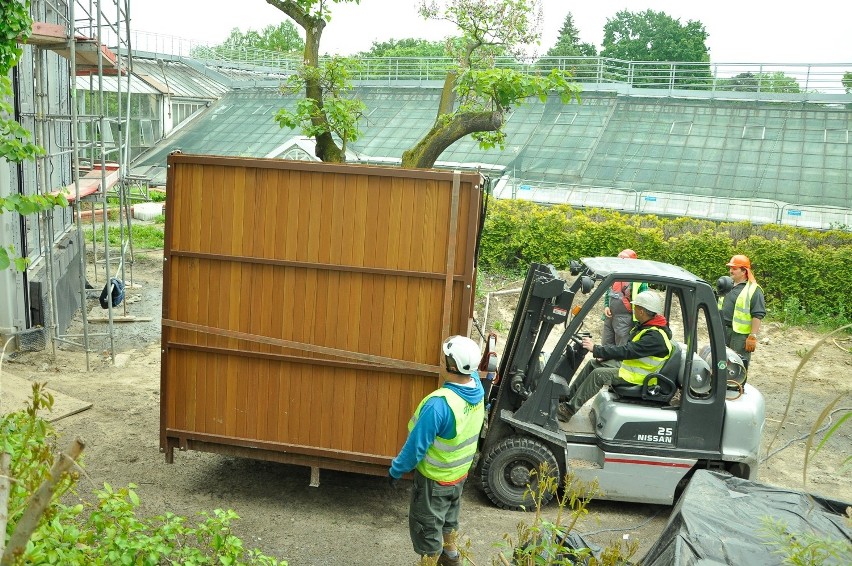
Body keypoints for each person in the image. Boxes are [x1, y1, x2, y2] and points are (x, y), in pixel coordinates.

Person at [389, 335, 485, 566]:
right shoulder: (476, 388)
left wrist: (395, 470)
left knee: (428, 530)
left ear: (450, 366)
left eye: (444, 358)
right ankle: (451, 557)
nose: (441, 361)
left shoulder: (439, 404)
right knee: (450, 519)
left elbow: (415, 448)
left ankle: (432, 561)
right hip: (458, 476)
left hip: (434, 482)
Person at [558, 290, 673, 423]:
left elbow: (627, 351)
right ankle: (566, 398)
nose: (633, 310)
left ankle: (568, 410)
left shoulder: (654, 336)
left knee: (598, 375)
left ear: (642, 311)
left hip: (640, 376)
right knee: (593, 364)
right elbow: (630, 351)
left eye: (635, 307)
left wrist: (597, 349)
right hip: (632, 369)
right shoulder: (648, 327)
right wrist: (604, 355)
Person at [719, 254, 765, 369]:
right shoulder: (726, 285)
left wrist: (752, 336)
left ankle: (737, 386)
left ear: (744, 271)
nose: (731, 271)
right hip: (723, 330)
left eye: (734, 269)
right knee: (720, 361)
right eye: (730, 268)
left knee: (736, 365)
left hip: (740, 336)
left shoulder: (754, 290)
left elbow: (757, 315)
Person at [601, 249, 648, 346]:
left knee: (621, 347)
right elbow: (608, 293)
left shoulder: (639, 280)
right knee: (606, 345)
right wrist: (606, 306)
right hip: (610, 316)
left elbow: (644, 301)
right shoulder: (614, 275)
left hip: (625, 319)